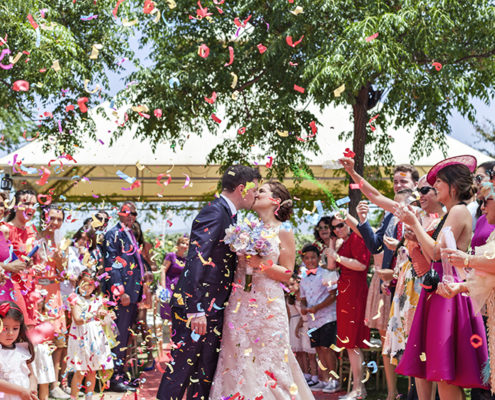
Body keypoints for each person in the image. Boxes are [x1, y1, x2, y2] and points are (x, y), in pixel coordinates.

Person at [157, 165, 260, 400]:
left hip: (214, 308)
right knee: (182, 369)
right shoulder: (215, 212)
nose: (256, 195)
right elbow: (196, 259)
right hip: (198, 308)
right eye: (255, 190)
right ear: (242, 188)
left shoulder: (230, 214)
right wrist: (196, 309)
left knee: (203, 372)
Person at [209, 180, 315, 399]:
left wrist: (260, 263)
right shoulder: (246, 228)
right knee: (236, 358)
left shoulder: (284, 230)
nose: (255, 194)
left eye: (262, 191)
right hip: (239, 304)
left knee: (270, 360)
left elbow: (288, 273)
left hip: (268, 306)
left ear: (275, 200)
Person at [394, 155, 488, 400]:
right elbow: (431, 254)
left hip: (451, 294)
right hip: (438, 291)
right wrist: (416, 237)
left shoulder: (458, 211)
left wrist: (414, 224)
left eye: (439, 184)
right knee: (435, 368)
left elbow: (437, 252)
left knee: (447, 373)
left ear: (453, 187)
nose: (434, 187)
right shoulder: (449, 214)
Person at [340, 159, 419, 400]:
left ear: (416, 184)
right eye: (395, 181)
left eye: (403, 181)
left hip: (413, 284)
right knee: (389, 341)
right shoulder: (390, 214)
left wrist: (352, 172)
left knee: (413, 342)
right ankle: (392, 393)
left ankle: (413, 393)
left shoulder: (420, 211)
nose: (397, 185)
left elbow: (373, 194)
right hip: (389, 286)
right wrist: (362, 222)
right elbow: (375, 245)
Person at [325, 213, 371, 400]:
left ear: (348, 224)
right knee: (350, 344)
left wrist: (337, 256)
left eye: (341, 225)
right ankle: (358, 388)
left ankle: (358, 388)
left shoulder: (357, 238)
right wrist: (331, 243)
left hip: (355, 294)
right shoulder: (342, 243)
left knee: (353, 343)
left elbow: (362, 265)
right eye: (334, 227)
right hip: (345, 294)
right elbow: (330, 266)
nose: (338, 229)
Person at [104, 202, 148, 393]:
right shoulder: (113, 234)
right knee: (118, 336)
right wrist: (120, 292)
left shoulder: (130, 234)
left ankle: (121, 374)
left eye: (134, 213)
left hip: (134, 294)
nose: (131, 216)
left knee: (126, 336)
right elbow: (112, 264)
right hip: (122, 295)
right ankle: (113, 378)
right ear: (119, 214)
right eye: (127, 213)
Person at [37, 206, 70, 400]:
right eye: (52, 218)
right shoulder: (34, 238)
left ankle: (55, 384)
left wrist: (59, 261)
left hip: (55, 292)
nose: (55, 223)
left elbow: (63, 273)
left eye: (59, 219)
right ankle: (39, 384)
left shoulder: (61, 242)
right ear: (44, 218)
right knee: (40, 340)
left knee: (59, 341)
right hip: (37, 292)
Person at [66, 273, 114, 400]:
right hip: (80, 337)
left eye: (90, 284)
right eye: (84, 283)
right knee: (80, 371)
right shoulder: (75, 299)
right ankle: (74, 398)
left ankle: (89, 398)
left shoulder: (97, 300)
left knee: (92, 370)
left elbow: (100, 321)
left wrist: (107, 316)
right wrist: (95, 314)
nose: (87, 287)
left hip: (94, 337)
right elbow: (77, 319)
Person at [299, 244, 340, 394]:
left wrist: (318, 307)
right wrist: (303, 306)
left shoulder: (326, 273)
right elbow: (302, 297)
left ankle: (334, 380)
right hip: (312, 320)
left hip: (327, 317)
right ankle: (324, 380)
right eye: (307, 258)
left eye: (313, 257)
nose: (310, 260)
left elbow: (333, 295)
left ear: (318, 258)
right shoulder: (302, 277)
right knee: (318, 349)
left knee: (326, 348)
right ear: (303, 259)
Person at [5, 190, 40, 327]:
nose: (30, 207)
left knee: (30, 327)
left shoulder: (32, 231)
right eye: (26, 203)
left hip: (30, 284)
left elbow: (31, 260)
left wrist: (34, 265)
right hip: (12, 285)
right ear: (15, 206)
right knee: (18, 325)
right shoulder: (5, 229)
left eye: (33, 204)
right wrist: (11, 266)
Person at [0, 300, 37, 400]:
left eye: (15, 328)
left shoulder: (22, 350)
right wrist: (21, 391)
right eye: (5, 328)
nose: (10, 333)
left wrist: (32, 389)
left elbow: (31, 375)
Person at [286, 274, 318, 387]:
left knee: (312, 353)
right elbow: (300, 316)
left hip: (312, 325)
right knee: (305, 351)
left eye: (292, 284)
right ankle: (307, 374)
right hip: (304, 326)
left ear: (298, 282)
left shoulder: (306, 296)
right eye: (287, 285)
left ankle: (315, 377)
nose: (289, 287)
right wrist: (298, 327)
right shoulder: (293, 298)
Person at [159, 236, 189, 323]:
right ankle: (166, 335)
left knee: (177, 315)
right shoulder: (171, 256)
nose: (184, 246)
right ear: (178, 245)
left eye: (187, 244)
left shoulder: (186, 259)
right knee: (167, 314)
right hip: (169, 287)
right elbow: (163, 270)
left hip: (180, 289)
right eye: (183, 243)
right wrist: (163, 288)